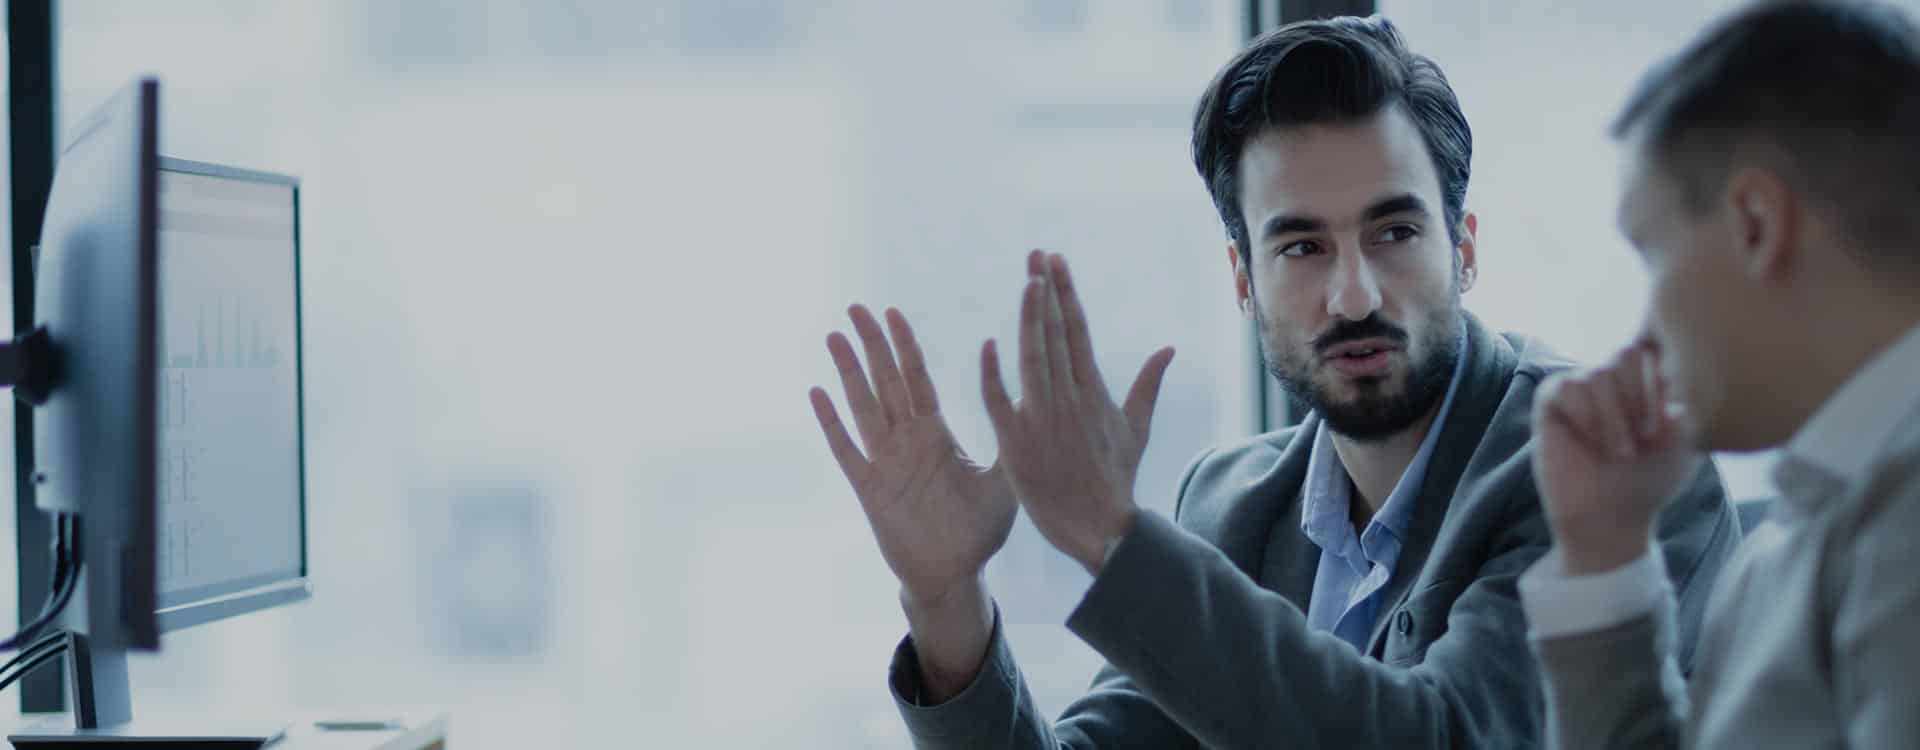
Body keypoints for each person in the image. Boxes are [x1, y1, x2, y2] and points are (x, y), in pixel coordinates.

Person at [810, 16, 1739, 749]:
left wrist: (1113, 541)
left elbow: (1447, 736)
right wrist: (946, 599)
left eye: (1394, 233)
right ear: (1243, 280)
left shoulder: (1611, 471)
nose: (1354, 293)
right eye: (1301, 247)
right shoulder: (1232, 504)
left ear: (1463, 249)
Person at [1523, 2, 1920, 748]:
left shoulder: (1900, 528)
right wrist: (1603, 551)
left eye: (1652, 254)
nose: (1642, 336)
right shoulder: (1790, 541)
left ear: (1756, 224)